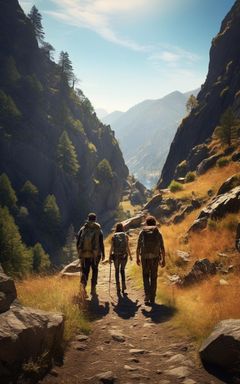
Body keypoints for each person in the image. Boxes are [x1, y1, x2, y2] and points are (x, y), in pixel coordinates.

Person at [136, 215, 165, 305]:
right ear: (154, 223)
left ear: (147, 223)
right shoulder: (157, 232)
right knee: (153, 277)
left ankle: (147, 295)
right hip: (155, 257)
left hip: (144, 257)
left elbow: (138, 247)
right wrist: (164, 259)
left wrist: (137, 258)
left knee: (145, 276)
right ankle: (153, 297)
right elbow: (162, 248)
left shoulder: (142, 232)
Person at [77, 213, 105, 297]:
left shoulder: (83, 229)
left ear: (88, 219)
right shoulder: (98, 229)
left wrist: (80, 253)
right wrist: (103, 254)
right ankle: (93, 290)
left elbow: (78, 242)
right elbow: (101, 242)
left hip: (85, 255)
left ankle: (83, 289)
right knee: (95, 270)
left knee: (85, 271)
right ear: (95, 219)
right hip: (96, 255)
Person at [109, 222, 132, 295]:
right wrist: (130, 256)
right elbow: (127, 247)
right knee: (122, 270)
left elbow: (112, 247)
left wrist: (110, 256)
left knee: (116, 271)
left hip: (116, 256)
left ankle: (118, 288)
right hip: (124, 255)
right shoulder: (125, 236)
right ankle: (123, 286)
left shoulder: (114, 236)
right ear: (122, 228)